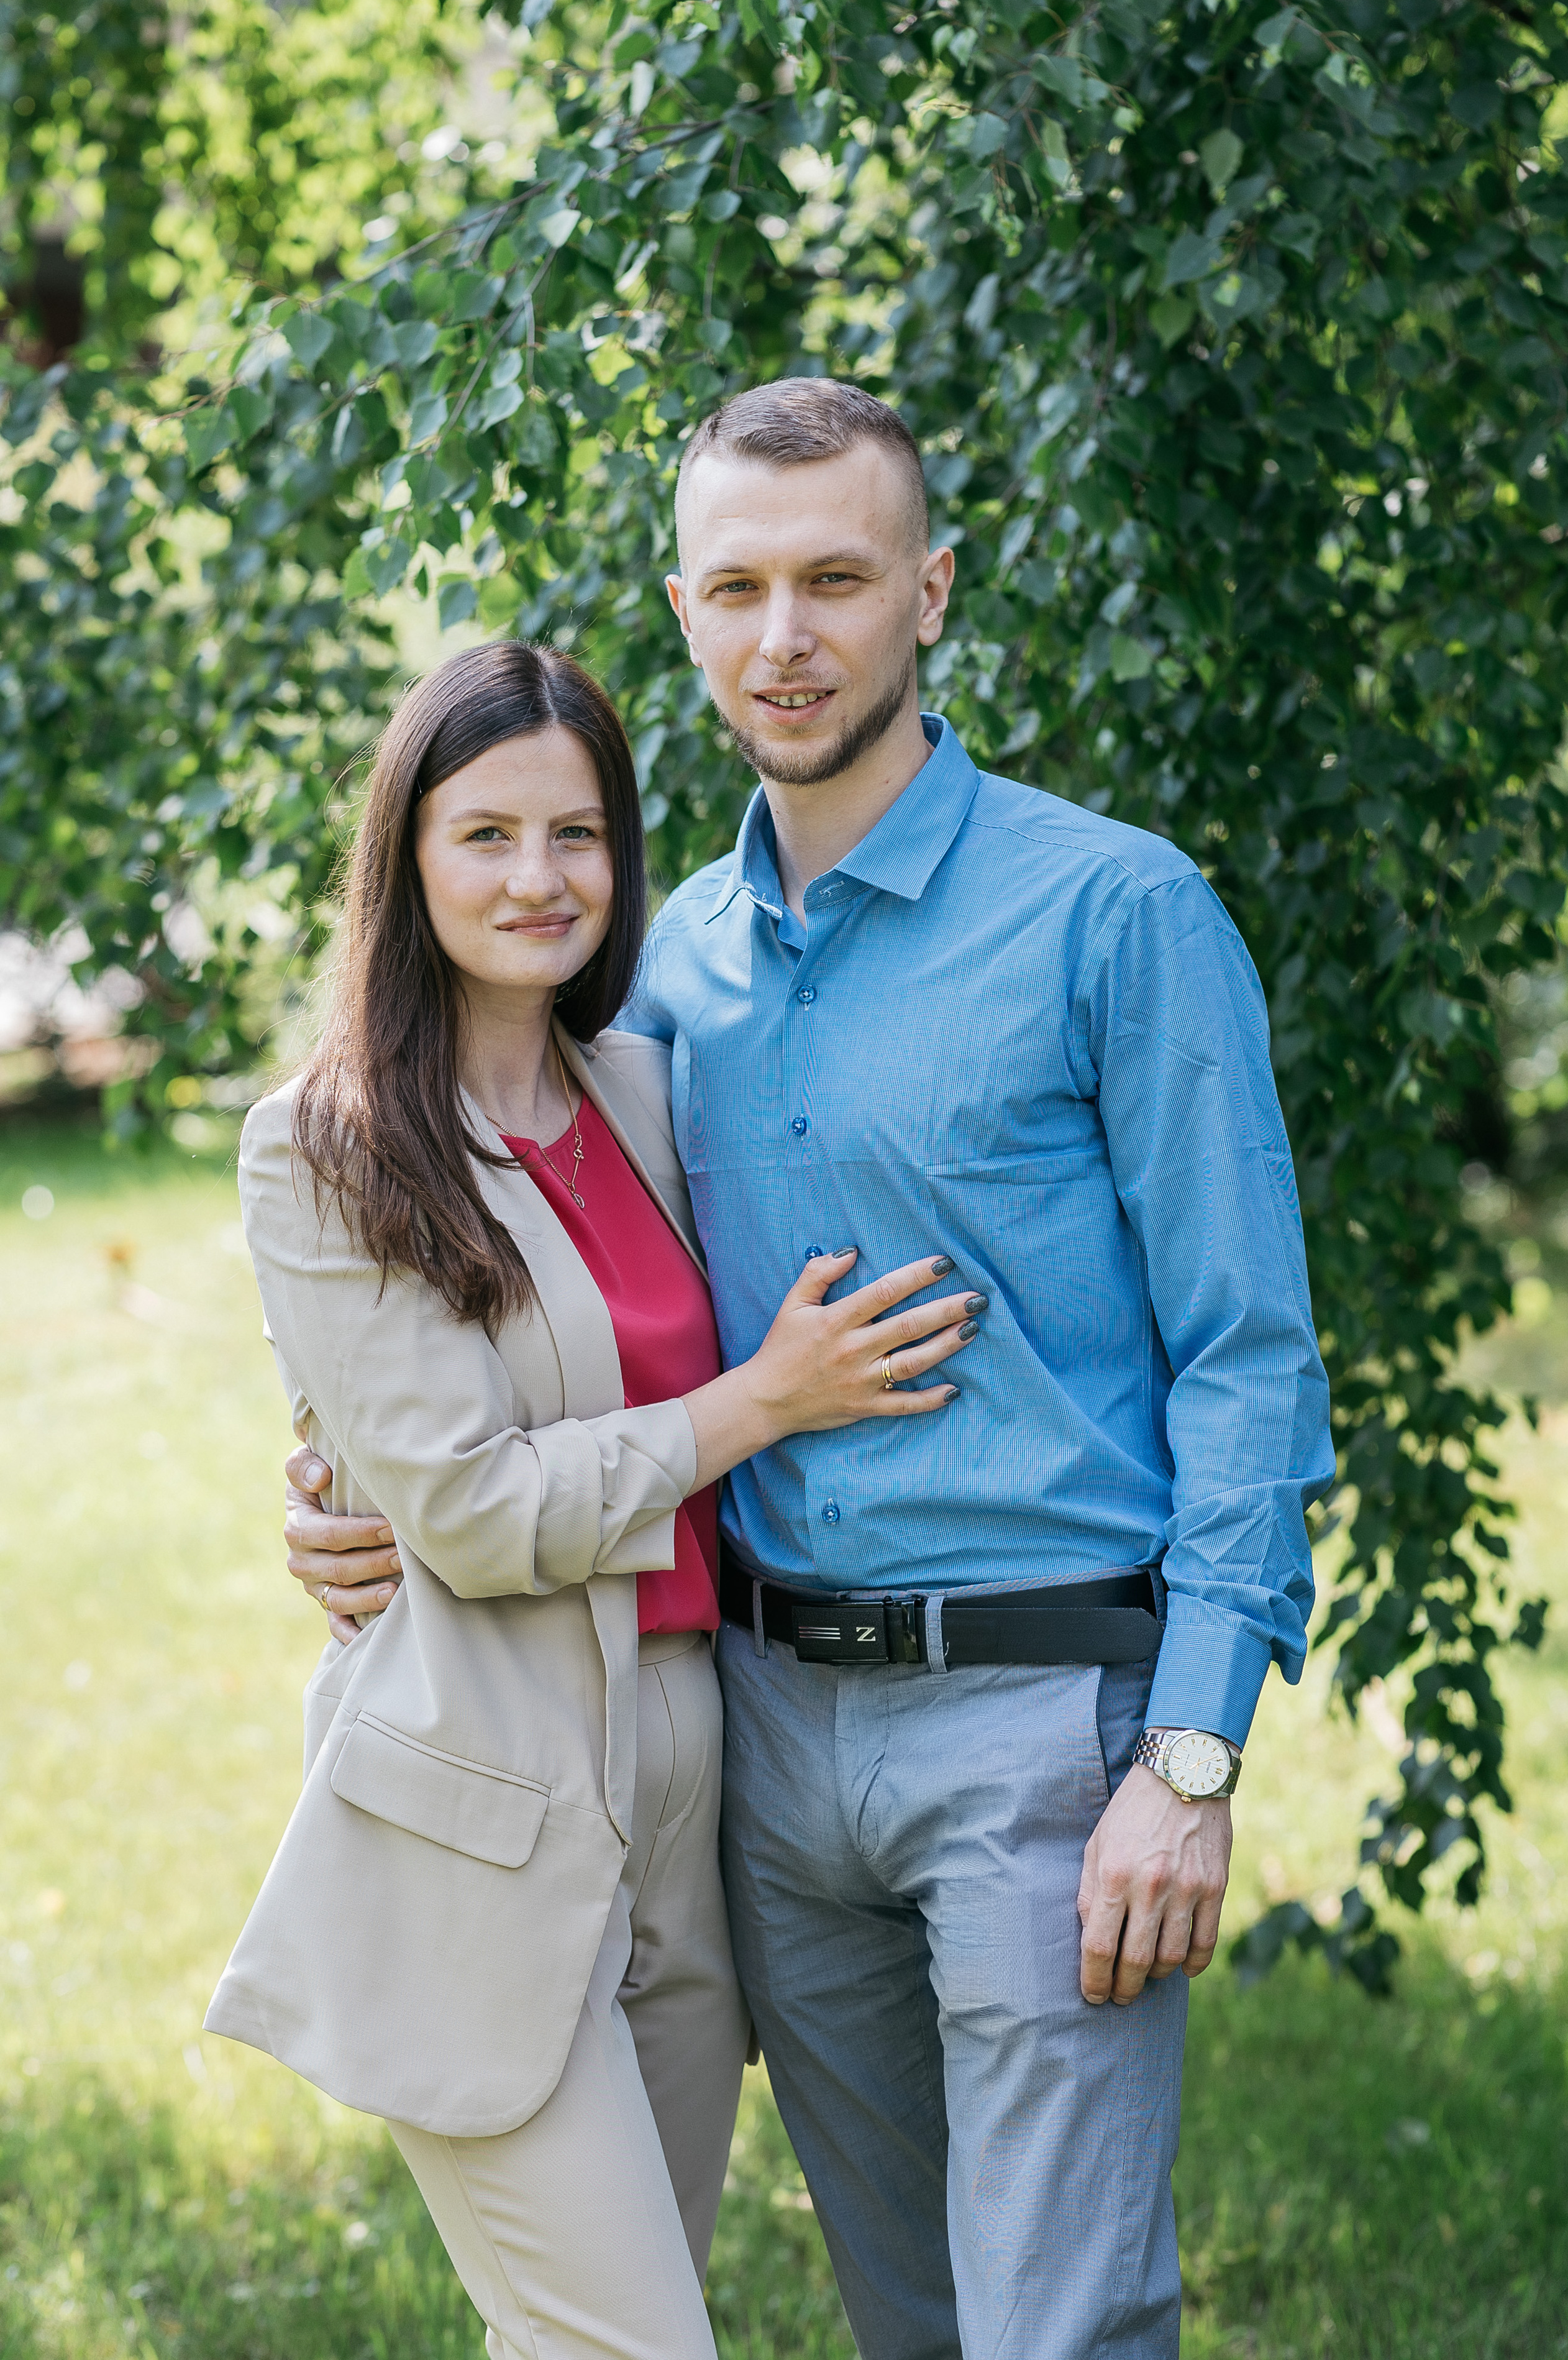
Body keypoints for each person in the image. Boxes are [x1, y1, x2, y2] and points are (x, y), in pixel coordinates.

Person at [281, 380, 1335, 2359]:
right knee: (909, 2313)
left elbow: (1252, 1360)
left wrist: (1188, 1762)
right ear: (682, 614)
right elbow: (536, 1294)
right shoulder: (660, 966)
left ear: (928, 592)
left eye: (838, 580)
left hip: (1045, 1722)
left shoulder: (1117, 912)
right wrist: (348, 1486)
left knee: (1060, 2321)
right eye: (741, 588)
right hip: (756, 1738)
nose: (789, 637)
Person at [206, 638, 985, 2360]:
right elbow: (472, 1514)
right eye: (486, 835)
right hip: (489, 1804)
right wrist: (749, 1406)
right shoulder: (326, 1147)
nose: (539, 879)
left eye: (578, 835)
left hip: (687, 1801)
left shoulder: (642, 1083)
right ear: (406, 859)